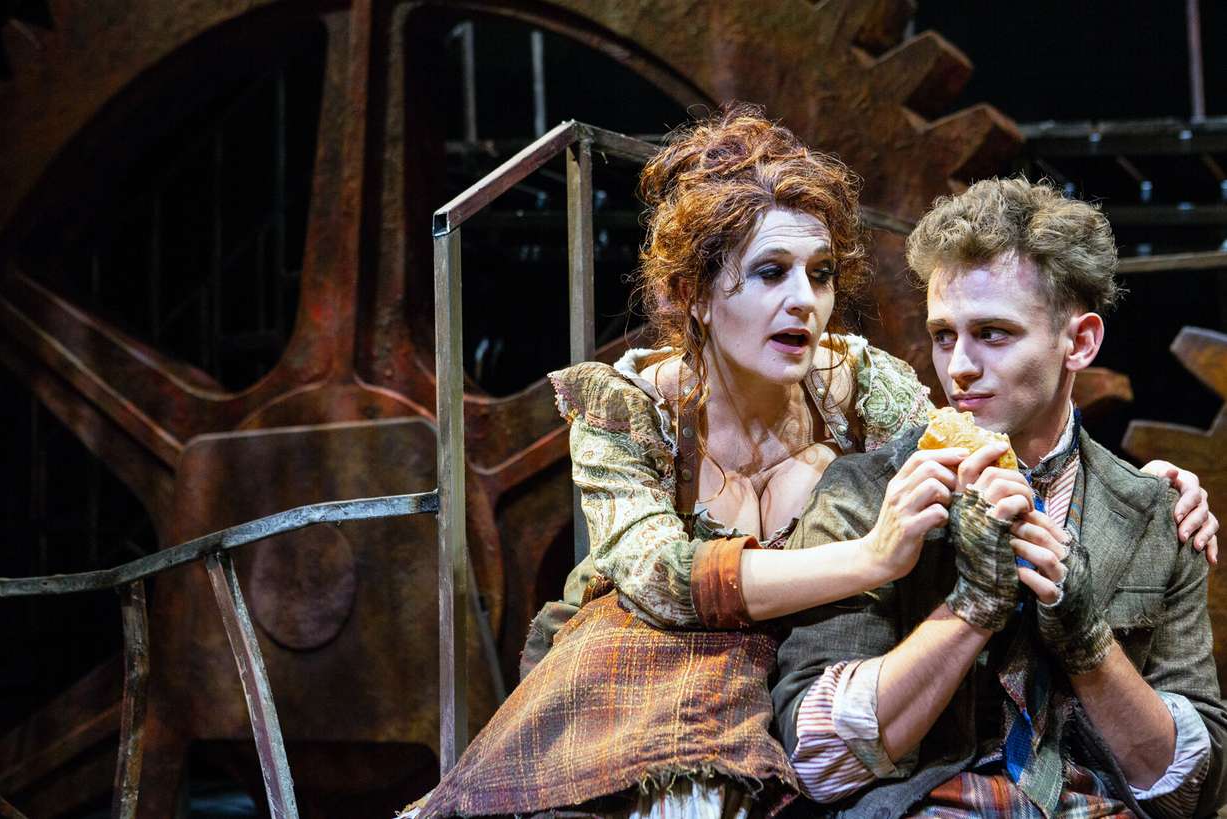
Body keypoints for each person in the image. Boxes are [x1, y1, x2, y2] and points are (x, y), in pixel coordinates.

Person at [409, 111, 1215, 819]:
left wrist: (1145, 491)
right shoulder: (629, 407)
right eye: (771, 272)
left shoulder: (856, 381)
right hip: (657, 657)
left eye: (820, 274)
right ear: (695, 292)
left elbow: (978, 438)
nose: (805, 300)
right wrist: (871, 555)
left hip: (803, 663)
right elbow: (661, 575)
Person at [773, 177, 1226, 818]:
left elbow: (1193, 792)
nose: (958, 365)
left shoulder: (1156, 512)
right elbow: (815, 758)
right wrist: (973, 608)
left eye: (993, 334)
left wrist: (1088, 642)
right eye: (943, 334)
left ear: (1081, 342)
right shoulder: (867, 494)